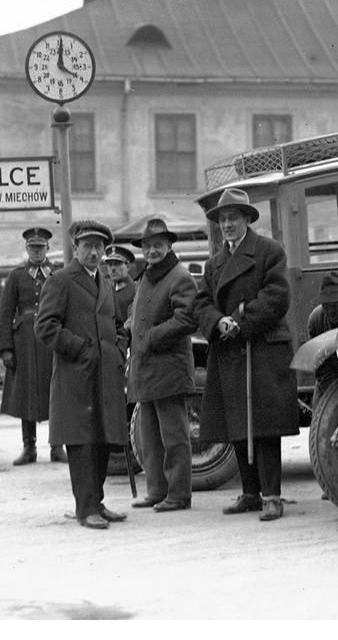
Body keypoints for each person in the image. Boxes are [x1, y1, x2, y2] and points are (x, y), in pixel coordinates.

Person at [194, 188, 298, 521]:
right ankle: (250, 493)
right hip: (230, 350)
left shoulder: (269, 251)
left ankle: (272, 496)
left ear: (246, 220)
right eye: (223, 220)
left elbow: (278, 296)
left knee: (264, 426)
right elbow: (200, 302)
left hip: (262, 347)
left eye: (233, 219)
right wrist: (218, 321)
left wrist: (240, 321)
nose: (227, 225)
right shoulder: (215, 263)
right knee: (238, 423)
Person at [35, 220, 129, 530]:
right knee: (83, 443)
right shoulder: (61, 280)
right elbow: (45, 327)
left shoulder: (103, 281)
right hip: (76, 377)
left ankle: (97, 503)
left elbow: (117, 324)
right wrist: (80, 349)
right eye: (87, 246)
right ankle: (85, 508)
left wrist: (118, 347)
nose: (93, 252)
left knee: (103, 440)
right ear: (75, 248)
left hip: (105, 377)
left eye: (98, 247)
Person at [126, 219, 197, 512]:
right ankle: (157, 491)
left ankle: (179, 495)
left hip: (169, 368)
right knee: (149, 437)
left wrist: (149, 337)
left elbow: (187, 319)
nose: (152, 251)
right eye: (147, 246)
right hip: (146, 369)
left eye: (157, 245)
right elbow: (138, 314)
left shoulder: (180, 276)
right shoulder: (146, 277)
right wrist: (129, 329)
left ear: (169, 246)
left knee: (174, 436)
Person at [0, 227, 65, 466]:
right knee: (26, 393)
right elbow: (6, 313)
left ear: (48, 249)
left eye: (41, 248)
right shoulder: (16, 276)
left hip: (52, 339)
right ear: (27, 249)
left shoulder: (57, 274)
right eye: (33, 248)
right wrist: (6, 348)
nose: (37, 252)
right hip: (24, 342)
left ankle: (57, 446)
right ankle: (29, 447)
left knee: (56, 391)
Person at [103, 244, 136, 326]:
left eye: (117, 264)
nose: (113, 268)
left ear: (128, 267)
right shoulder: (105, 290)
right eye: (110, 265)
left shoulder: (137, 290)